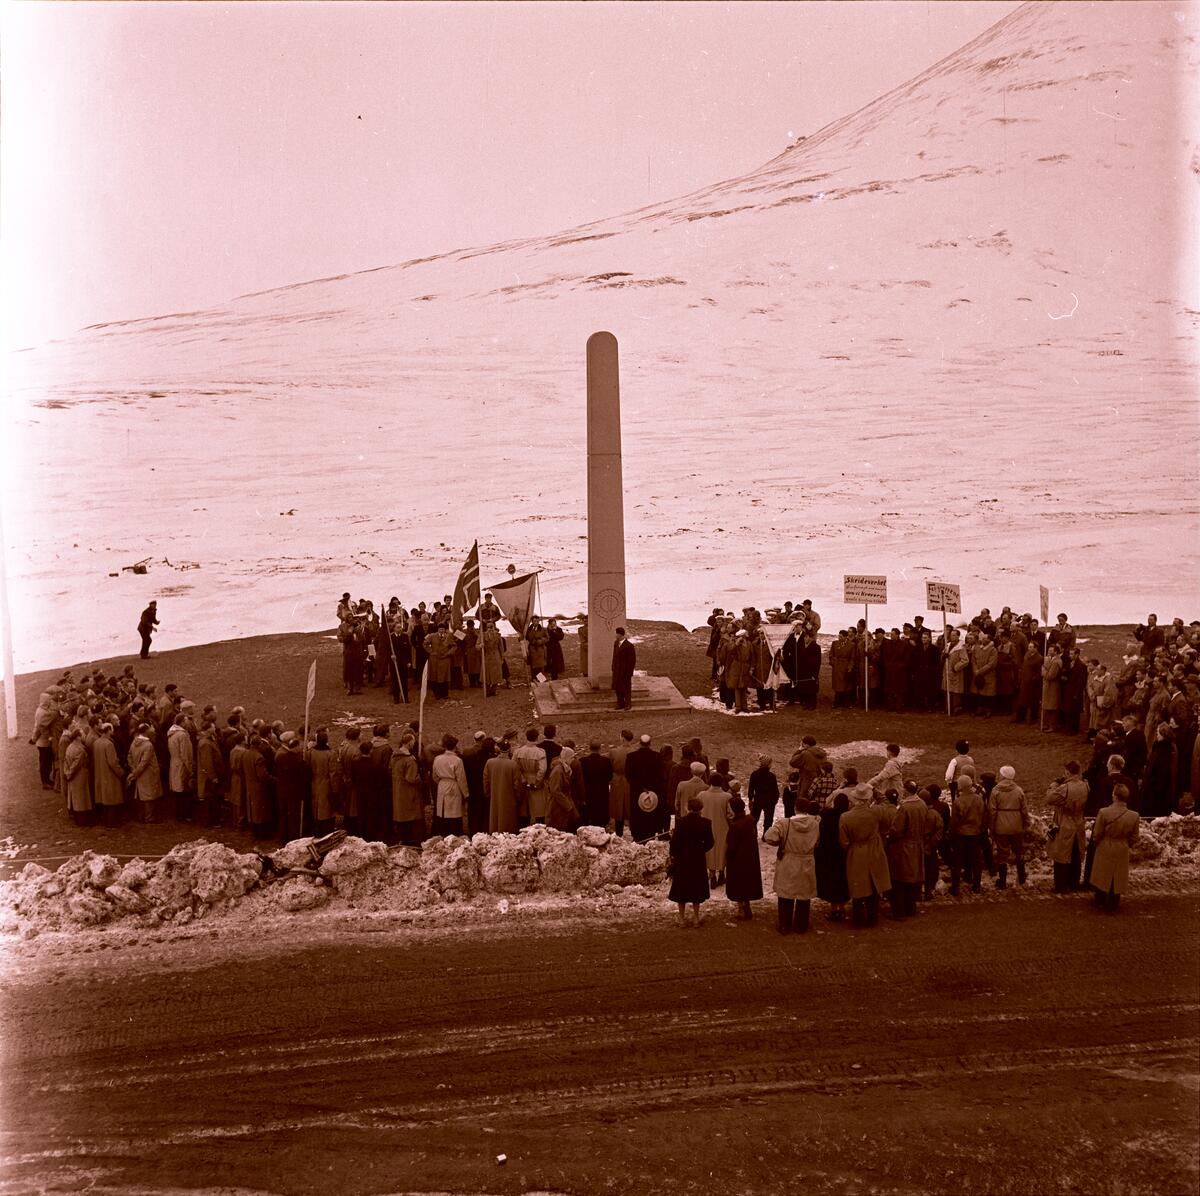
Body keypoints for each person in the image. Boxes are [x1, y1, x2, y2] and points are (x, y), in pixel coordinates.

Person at [838, 777, 890, 928]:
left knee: (858, 886)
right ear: (868, 798)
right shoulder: (876, 812)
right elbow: (886, 804)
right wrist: (873, 789)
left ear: (854, 798)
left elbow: (844, 840)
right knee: (874, 884)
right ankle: (873, 918)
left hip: (856, 850)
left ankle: (859, 920)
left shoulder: (846, 817)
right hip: (874, 849)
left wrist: (850, 849)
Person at [764, 799, 820, 933]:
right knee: (804, 895)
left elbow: (769, 836)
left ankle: (785, 925)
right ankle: (801, 925)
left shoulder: (785, 823)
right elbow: (817, 841)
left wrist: (781, 843)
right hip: (807, 860)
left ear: (795, 808)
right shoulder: (815, 824)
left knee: (785, 894)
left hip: (789, 860)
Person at [1090, 783, 1140, 912]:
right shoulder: (1134, 816)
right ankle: (1114, 901)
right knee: (1118, 875)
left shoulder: (1104, 812)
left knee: (1102, 872)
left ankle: (1099, 899)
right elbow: (1135, 837)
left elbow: (1097, 833)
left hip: (1106, 844)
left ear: (1115, 796)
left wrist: (1097, 842)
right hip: (1122, 845)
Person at [669, 795, 715, 927]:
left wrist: (674, 856)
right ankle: (696, 918)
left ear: (688, 808)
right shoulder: (706, 823)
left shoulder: (681, 822)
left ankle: (682, 919)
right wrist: (701, 849)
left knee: (681, 888)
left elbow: (675, 842)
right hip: (698, 858)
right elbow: (710, 842)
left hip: (683, 858)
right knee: (696, 887)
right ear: (701, 809)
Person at [886, 782, 927, 919]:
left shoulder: (905, 807)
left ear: (906, 791)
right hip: (917, 844)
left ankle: (899, 912)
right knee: (912, 879)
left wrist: (889, 837)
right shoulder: (922, 804)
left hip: (904, 847)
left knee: (899, 880)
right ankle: (911, 908)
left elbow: (897, 829)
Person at [1046, 762, 1088, 892]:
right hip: (1079, 822)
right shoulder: (1085, 785)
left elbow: (1049, 798)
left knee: (1061, 855)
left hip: (1065, 822)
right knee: (1076, 853)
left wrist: (1053, 785)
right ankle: (1074, 882)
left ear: (1068, 772)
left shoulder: (1065, 788)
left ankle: (1061, 885)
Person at [723, 795, 763, 921]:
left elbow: (731, 846)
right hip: (750, 856)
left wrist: (727, 857)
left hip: (738, 859)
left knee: (738, 884)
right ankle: (747, 905)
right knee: (747, 882)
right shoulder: (750, 820)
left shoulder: (735, 826)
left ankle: (741, 909)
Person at [990, 765, 1029, 888]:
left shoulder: (995, 791)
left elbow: (992, 812)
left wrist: (992, 828)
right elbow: (1024, 810)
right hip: (1016, 825)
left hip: (1001, 826)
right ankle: (1022, 877)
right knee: (1019, 851)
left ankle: (1002, 882)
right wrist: (1025, 824)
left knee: (1002, 854)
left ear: (1003, 775)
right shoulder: (1019, 790)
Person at [815, 791, 850, 920]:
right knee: (843, 880)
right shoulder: (847, 816)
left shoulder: (827, 816)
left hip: (829, 853)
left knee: (831, 880)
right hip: (843, 853)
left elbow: (821, 834)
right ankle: (842, 908)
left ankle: (834, 908)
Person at [431, 733, 469, 836]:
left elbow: (434, 776)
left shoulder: (437, 759)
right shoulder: (458, 760)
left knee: (442, 812)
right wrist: (465, 793)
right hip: (454, 785)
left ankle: (443, 833)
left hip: (442, 785)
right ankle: (454, 834)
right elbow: (461, 779)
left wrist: (441, 783)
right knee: (454, 813)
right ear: (454, 747)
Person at [699, 775, 733, 888]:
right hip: (723, 827)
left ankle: (712, 874)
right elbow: (730, 814)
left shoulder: (702, 795)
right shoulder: (727, 796)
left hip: (705, 827)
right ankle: (722, 873)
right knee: (722, 851)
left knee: (710, 851)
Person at [127, 722, 162, 822]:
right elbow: (144, 763)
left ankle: (141, 816)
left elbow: (129, 756)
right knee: (149, 796)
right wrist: (135, 773)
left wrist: (133, 769)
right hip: (148, 773)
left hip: (139, 773)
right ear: (146, 731)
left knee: (141, 795)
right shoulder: (148, 745)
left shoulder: (134, 742)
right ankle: (149, 818)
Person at [514, 729, 548, 825]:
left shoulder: (518, 751)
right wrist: (537, 781)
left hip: (524, 780)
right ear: (537, 738)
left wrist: (523, 779)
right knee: (539, 810)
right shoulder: (540, 752)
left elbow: (515, 767)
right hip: (535, 781)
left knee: (524, 809)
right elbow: (542, 769)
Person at [484, 740, 520, 834]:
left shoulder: (490, 762)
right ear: (509, 750)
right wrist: (518, 798)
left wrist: (488, 794)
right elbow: (517, 785)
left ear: (499, 749)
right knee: (508, 825)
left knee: (495, 821)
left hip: (494, 797)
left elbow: (486, 781)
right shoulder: (513, 765)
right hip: (509, 798)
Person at [608, 729, 634, 837]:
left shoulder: (614, 752)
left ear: (622, 738)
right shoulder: (634, 751)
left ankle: (619, 833)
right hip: (630, 781)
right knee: (630, 806)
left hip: (617, 781)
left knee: (618, 809)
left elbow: (610, 767)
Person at [546, 747, 579, 830]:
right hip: (557, 808)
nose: (573, 760)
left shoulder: (564, 769)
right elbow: (555, 791)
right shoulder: (558, 771)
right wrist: (568, 806)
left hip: (562, 806)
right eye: (572, 758)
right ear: (566, 758)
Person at [747, 756, 779, 839]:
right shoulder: (772, 776)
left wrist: (750, 799)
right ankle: (765, 836)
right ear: (768, 765)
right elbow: (775, 790)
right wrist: (775, 800)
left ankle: (753, 835)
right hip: (769, 800)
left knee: (754, 818)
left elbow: (751, 789)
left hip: (758, 799)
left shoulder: (754, 774)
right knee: (768, 819)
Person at [612, 627, 636, 710]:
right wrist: (613, 667)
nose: (615, 635)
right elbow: (614, 656)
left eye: (616, 633)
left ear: (619, 634)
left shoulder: (629, 646)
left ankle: (628, 704)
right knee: (618, 687)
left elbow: (632, 661)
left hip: (625, 671)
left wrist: (629, 672)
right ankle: (620, 703)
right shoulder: (616, 643)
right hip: (617, 670)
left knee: (626, 688)